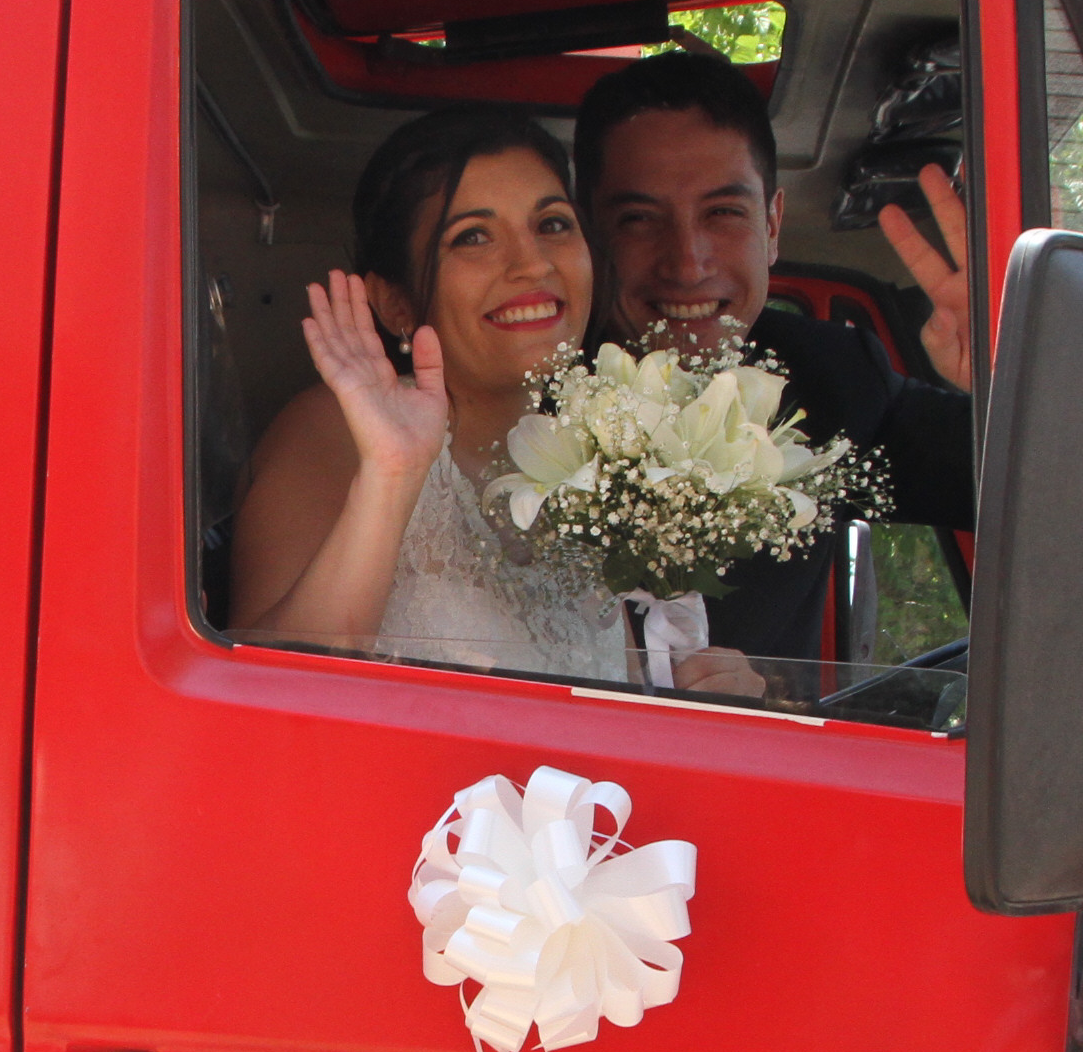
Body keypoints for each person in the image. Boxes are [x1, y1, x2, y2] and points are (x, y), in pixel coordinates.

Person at [231, 104, 756, 692]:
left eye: (552, 224)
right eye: (473, 237)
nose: (532, 263)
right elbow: (268, 695)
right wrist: (393, 474)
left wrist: (697, 701)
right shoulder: (335, 431)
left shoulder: (592, 469)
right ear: (396, 303)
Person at [572, 50, 976, 665]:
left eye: (723, 213)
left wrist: (1024, 369)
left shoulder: (835, 378)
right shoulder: (522, 393)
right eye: (638, 219)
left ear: (773, 224)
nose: (687, 263)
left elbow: (1043, 490)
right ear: (588, 233)